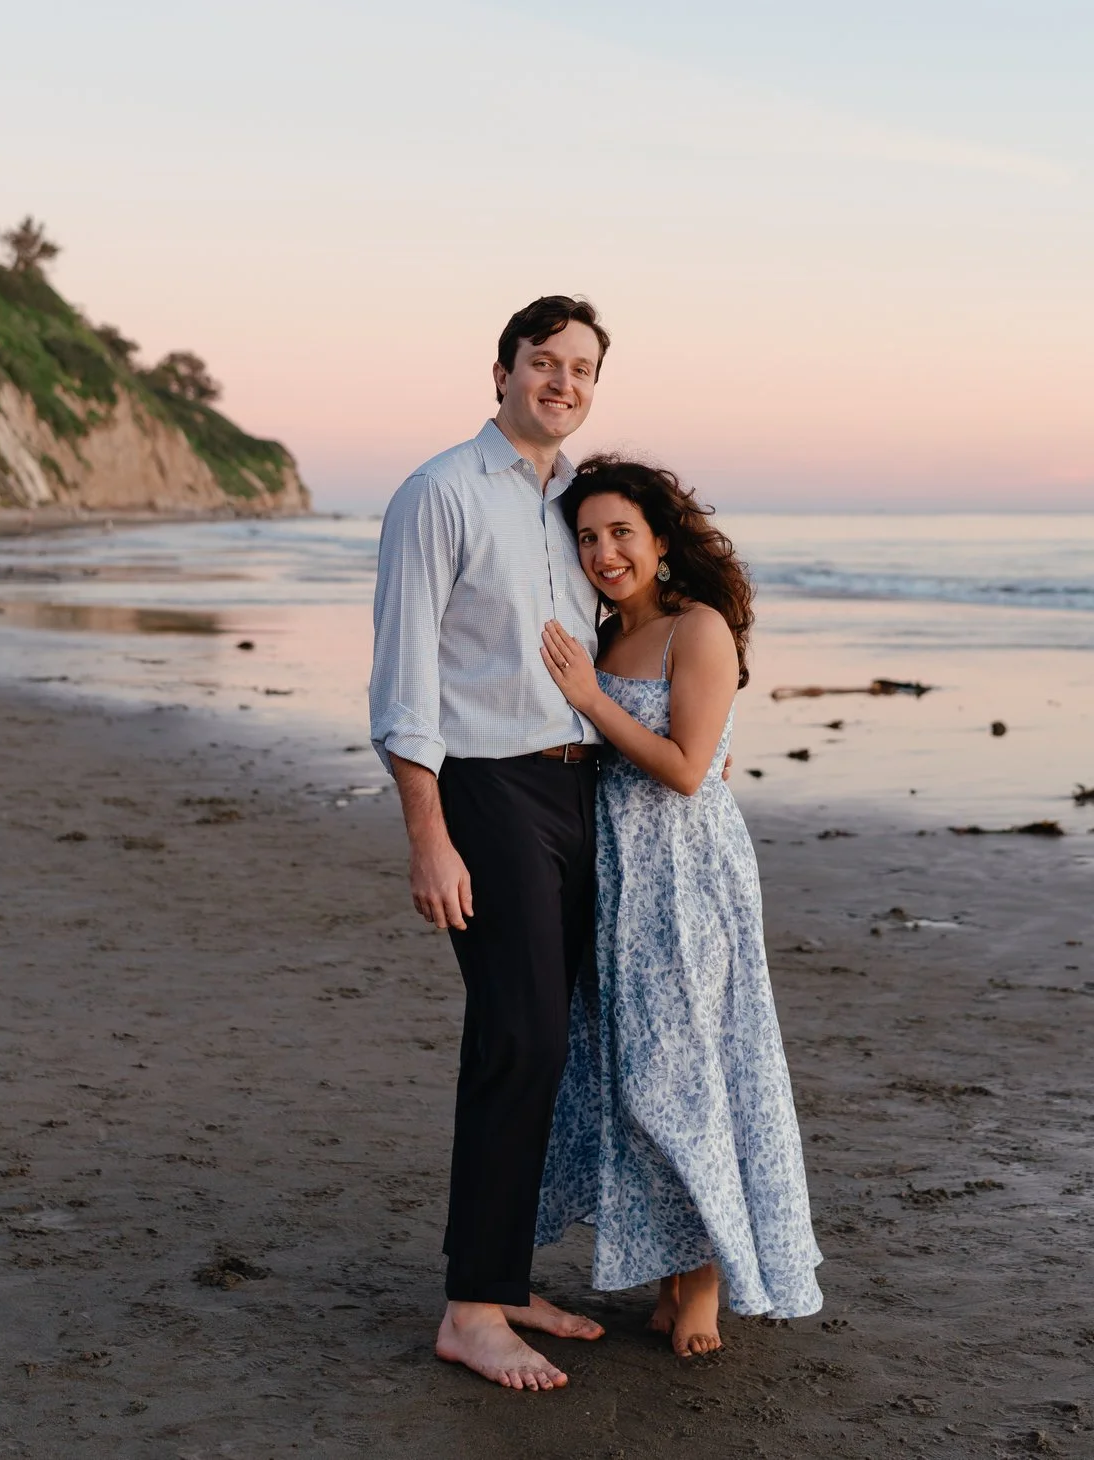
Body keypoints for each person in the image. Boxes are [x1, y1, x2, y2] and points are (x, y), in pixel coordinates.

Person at [368, 295, 615, 1391]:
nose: (562, 382)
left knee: (534, 1040)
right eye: (543, 362)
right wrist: (428, 834)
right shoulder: (439, 493)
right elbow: (404, 679)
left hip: (574, 792)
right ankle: (472, 1309)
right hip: (485, 788)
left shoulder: (574, 505)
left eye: (581, 369)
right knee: (523, 1038)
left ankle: (502, 1280)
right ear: (502, 371)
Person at [533, 457, 824, 1356]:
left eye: (622, 532)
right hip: (615, 874)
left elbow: (691, 770)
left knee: (688, 1071)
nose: (604, 551)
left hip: (687, 877)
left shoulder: (696, 630)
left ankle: (704, 1280)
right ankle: (671, 1266)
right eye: (587, 536)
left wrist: (588, 699)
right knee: (632, 1076)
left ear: (661, 541)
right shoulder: (602, 631)